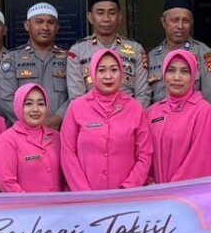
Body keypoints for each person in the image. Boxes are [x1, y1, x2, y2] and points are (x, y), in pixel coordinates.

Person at [60, 49, 153, 191]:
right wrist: (84, 192)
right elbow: (67, 153)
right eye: (102, 70)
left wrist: (128, 188)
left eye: (114, 70)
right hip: (86, 196)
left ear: (121, 73)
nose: (108, 76)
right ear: (93, 73)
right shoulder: (76, 108)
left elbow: (145, 154)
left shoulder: (135, 108)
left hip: (126, 196)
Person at [67, 0, 150, 106]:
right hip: (90, 116)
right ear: (90, 17)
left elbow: (143, 95)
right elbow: (77, 99)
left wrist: (131, 116)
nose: (106, 19)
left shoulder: (136, 49)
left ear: (119, 16)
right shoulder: (77, 51)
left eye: (112, 13)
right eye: (100, 13)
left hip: (129, 115)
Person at [147, 50, 211, 183]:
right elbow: (143, 154)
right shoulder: (152, 112)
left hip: (187, 192)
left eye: (184, 71)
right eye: (171, 70)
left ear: (193, 76)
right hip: (155, 193)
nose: (177, 77)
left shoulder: (204, 111)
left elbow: (200, 161)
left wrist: (172, 191)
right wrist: (148, 181)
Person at [0, 3, 70, 128]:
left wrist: (58, 118)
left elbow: (74, 96)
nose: (45, 27)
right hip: (23, 133)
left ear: (57, 27)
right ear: (27, 25)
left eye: (50, 22)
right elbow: (6, 98)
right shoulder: (12, 58)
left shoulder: (69, 58)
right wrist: (31, 123)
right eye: (39, 22)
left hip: (60, 131)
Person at [147, 0, 211, 105]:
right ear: (163, 22)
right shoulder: (152, 57)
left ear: (192, 23)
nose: (180, 26)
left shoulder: (205, 55)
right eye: (175, 20)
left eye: (186, 21)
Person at [0, 84, 64, 193]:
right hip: (24, 203)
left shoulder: (56, 137)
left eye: (40, 104)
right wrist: (30, 202)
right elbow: (6, 183)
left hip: (58, 203)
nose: (35, 109)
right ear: (18, 106)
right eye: (29, 104)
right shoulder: (7, 140)